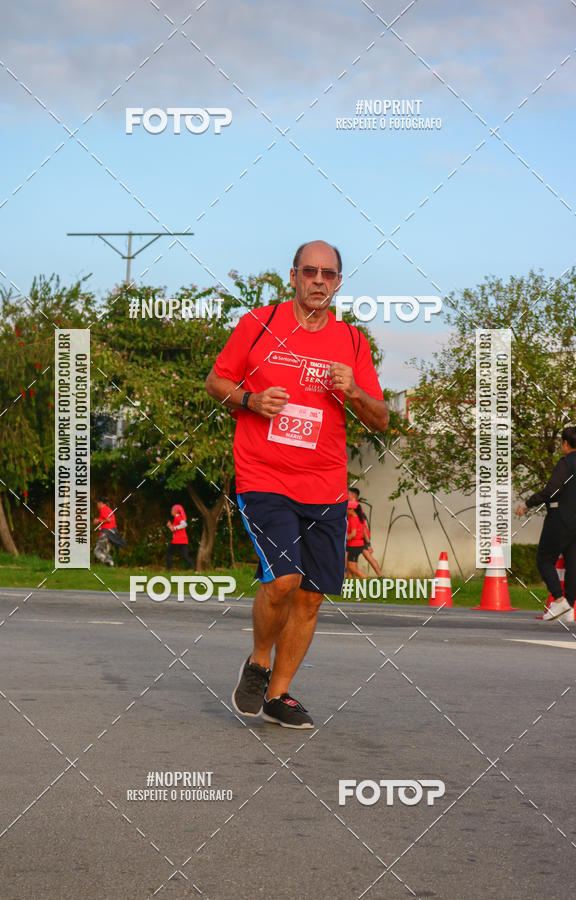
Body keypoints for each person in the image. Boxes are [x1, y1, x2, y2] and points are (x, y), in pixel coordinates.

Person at [205, 239, 389, 728]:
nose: (319, 281)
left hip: (325, 485)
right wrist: (249, 400)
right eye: (310, 272)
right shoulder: (259, 323)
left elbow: (381, 419)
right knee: (283, 580)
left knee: (309, 596)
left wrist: (353, 391)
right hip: (264, 476)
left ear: (339, 283)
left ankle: (278, 695)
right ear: (293, 276)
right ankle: (259, 663)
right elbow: (217, 382)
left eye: (328, 274)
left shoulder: (352, 342)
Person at [516, 425, 576, 624]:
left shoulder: (566, 463)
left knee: (544, 559)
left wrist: (528, 503)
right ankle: (570, 609)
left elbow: (551, 490)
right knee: (573, 563)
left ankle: (559, 600)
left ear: (565, 443)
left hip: (561, 518)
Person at [349, 486, 382, 576]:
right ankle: (380, 576)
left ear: (352, 495)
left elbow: (361, 525)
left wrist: (367, 542)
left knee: (366, 557)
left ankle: (378, 576)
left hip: (359, 536)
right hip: (360, 536)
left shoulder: (354, 506)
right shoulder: (356, 506)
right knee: (367, 557)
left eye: (348, 494)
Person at [93, 497, 125, 566]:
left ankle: (109, 562)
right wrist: (100, 525)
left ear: (100, 503)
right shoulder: (108, 509)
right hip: (111, 532)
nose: (97, 505)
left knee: (97, 551)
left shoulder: (103, 509)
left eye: (97, 503)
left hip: (107, 533)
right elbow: (110, 521)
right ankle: (110, 566)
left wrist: (98, 521)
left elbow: (109, 520)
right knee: (105, 551)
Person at [346, 502, 367, 585]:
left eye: (347, 508)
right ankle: (350, 585)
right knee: (348, 566)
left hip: (355, 546)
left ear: (351, 510)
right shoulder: (357, 517)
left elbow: (353, 534)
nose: (345, 510)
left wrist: (344, 539)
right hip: (354, 545)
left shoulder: (354, 519)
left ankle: (367, 581)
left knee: (352, 567)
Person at [166, 504, 192, 570]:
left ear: (175, 511)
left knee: (169, 553)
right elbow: (173, 530)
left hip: (177, 540)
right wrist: (170, 526)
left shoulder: (178, 517)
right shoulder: (177, 518)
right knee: (185, 556)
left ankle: (168, 570)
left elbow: (184, 524)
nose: (171, 511)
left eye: (172, 510)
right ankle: (195, 569)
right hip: (184, 540)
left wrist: (175, 527)